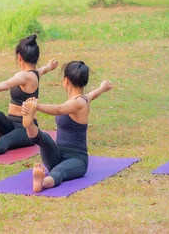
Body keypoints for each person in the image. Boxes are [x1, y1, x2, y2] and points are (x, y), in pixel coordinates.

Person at [20, 61, 113, 192]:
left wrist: (36, 107)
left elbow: (58, 109)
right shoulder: (84, 99)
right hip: (57, 154)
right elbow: (94, 94)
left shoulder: (79, 103)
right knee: (44, 138)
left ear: (66, 80)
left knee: (59, 171)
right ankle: (29, 124)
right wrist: (102, 87)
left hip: (77, 160)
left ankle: (43, 183)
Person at [0, 34, 59, 159]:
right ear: (36, 57)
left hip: (26, 129)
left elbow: (8, 83)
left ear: (19, 57)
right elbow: (42, 70)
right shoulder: (34, 74)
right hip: (10, 124)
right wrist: (49, 67)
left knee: (7, 140)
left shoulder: (25, 76)